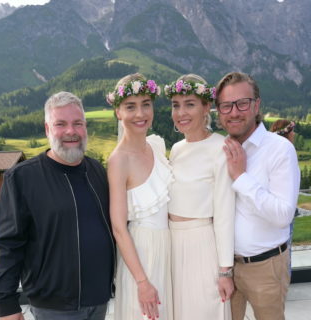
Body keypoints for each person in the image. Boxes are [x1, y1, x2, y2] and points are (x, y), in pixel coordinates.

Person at [0, 91, 116, 320]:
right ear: (48, 129)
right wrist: (7, 304)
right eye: (61, 124)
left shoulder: (97, 171)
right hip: (54, 306)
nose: (71, 131)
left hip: (99, 300)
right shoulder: (22, 178)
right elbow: (8, 245)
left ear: (85, 128)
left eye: (77, 123)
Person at [215, 72, 300, 320]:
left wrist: (241, 178)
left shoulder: (279, 149)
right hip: (225, 268)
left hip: (266, 267)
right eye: (226, 106)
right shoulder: (220, 149)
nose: (234, 112)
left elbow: (283, 215)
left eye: (242, 103)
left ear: (256, 105)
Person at [164, 74, 235, 320]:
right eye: (176, 105)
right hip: (171, 245)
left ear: (207, 107)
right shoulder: (176, 148)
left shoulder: (221, 148)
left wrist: (225, 272)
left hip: (202, 246)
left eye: (190, 104)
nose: (181, 112)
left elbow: (225, 213)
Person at [106, 73, 173, 320]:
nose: (140, 113)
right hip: (141, 255)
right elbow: (118, 227)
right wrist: (142, 282)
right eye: (130, 106)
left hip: (167, 248)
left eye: (146, 104)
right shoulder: (118, 160)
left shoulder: (156, 145)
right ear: (118, 112)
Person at [270, 119, 298, 274]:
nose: (294, 133)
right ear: (287, 132)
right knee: (286, 245)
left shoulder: (270, 150)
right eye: (292, 131)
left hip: (273, 209)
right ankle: (284, 277)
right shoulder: (287, 152)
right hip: (284, 209)